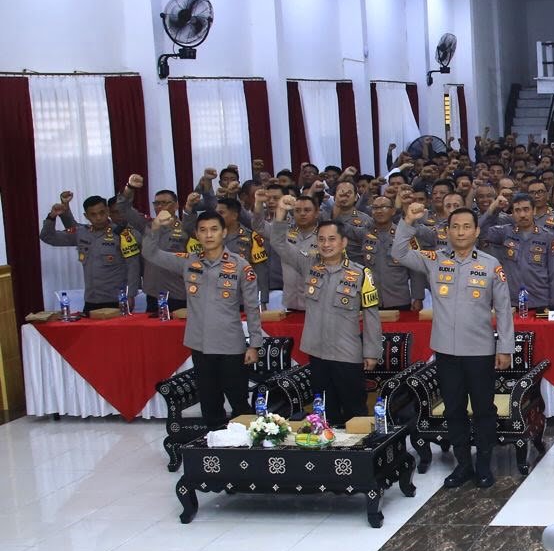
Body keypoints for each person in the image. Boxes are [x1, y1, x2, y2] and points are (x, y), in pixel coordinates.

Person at [395, 205, 514, 488]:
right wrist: (408, 221)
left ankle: (483, 464)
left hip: (480, 351)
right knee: (453, 409)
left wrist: (505, 347)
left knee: (484, 410)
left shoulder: (490, 264)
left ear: (476, 231)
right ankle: (463, 465)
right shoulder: (435, 259)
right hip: (446, 351)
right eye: (455, 227)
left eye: (466, 227)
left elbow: (504, 309)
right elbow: (399, 253)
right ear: (447, 231)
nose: (460, 232)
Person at [141, 209, 263, 429]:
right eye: (203, 230)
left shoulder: (240, 265)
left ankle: (245, 445)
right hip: (200, 345)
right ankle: (213, 441)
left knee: (239, 402)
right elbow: (151, 253)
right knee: (209, 402)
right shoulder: (188, 262)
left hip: (230, 346)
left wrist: (254, 345)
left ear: (224, 232)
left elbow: (253, 308)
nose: (208, 235)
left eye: (214, 229)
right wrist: (155, 228)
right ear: (196, 234)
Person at [267, 208, 382, 425]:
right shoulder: (308, 265)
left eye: (331, 239)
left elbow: (371, 316)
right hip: (318, 354)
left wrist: (371, 352)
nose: (326, 244)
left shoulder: (361, 274)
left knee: (355, 412)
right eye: (321, 239)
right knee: (324, 414)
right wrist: (280, 214)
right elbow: (279, 243)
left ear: (343, 242)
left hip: (347, 354)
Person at [39, 191, 141, 309]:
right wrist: (52, 216)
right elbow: (48, 237)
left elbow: (133, 266)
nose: (98, 218)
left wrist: (130, 295)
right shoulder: (82, 233)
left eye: (102, 213)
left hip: (117, 300)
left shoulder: (123, 234)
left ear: (107, 211)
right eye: (93, 214)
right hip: (91, 300)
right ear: (86, 216)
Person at [114, 174, 188, 313]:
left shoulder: (187, 228)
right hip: (153, 293)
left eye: (165, 203)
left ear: (176, 205)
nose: (160, 206)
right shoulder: (146, 225)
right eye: (156, 203)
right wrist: (130, 187)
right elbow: (123, 208)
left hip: (178, 292)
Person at [480, 193, 554, 313]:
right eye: (517, 210)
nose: (522, 215)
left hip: (540, 303)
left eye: (526, 209)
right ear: (512, 214)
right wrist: (494, 208)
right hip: (511, 303)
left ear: (534, 211)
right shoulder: (505, 233)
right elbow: (479, 231)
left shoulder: (548, 236)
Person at [358, 194, 427, 310]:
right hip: (370, 300)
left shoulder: (405, 235)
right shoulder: (364, 234)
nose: (379, 211)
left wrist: (418, 297)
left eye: (384, 207)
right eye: (375, 208)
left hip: (398, 299)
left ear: (393, 211)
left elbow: (416, 269)